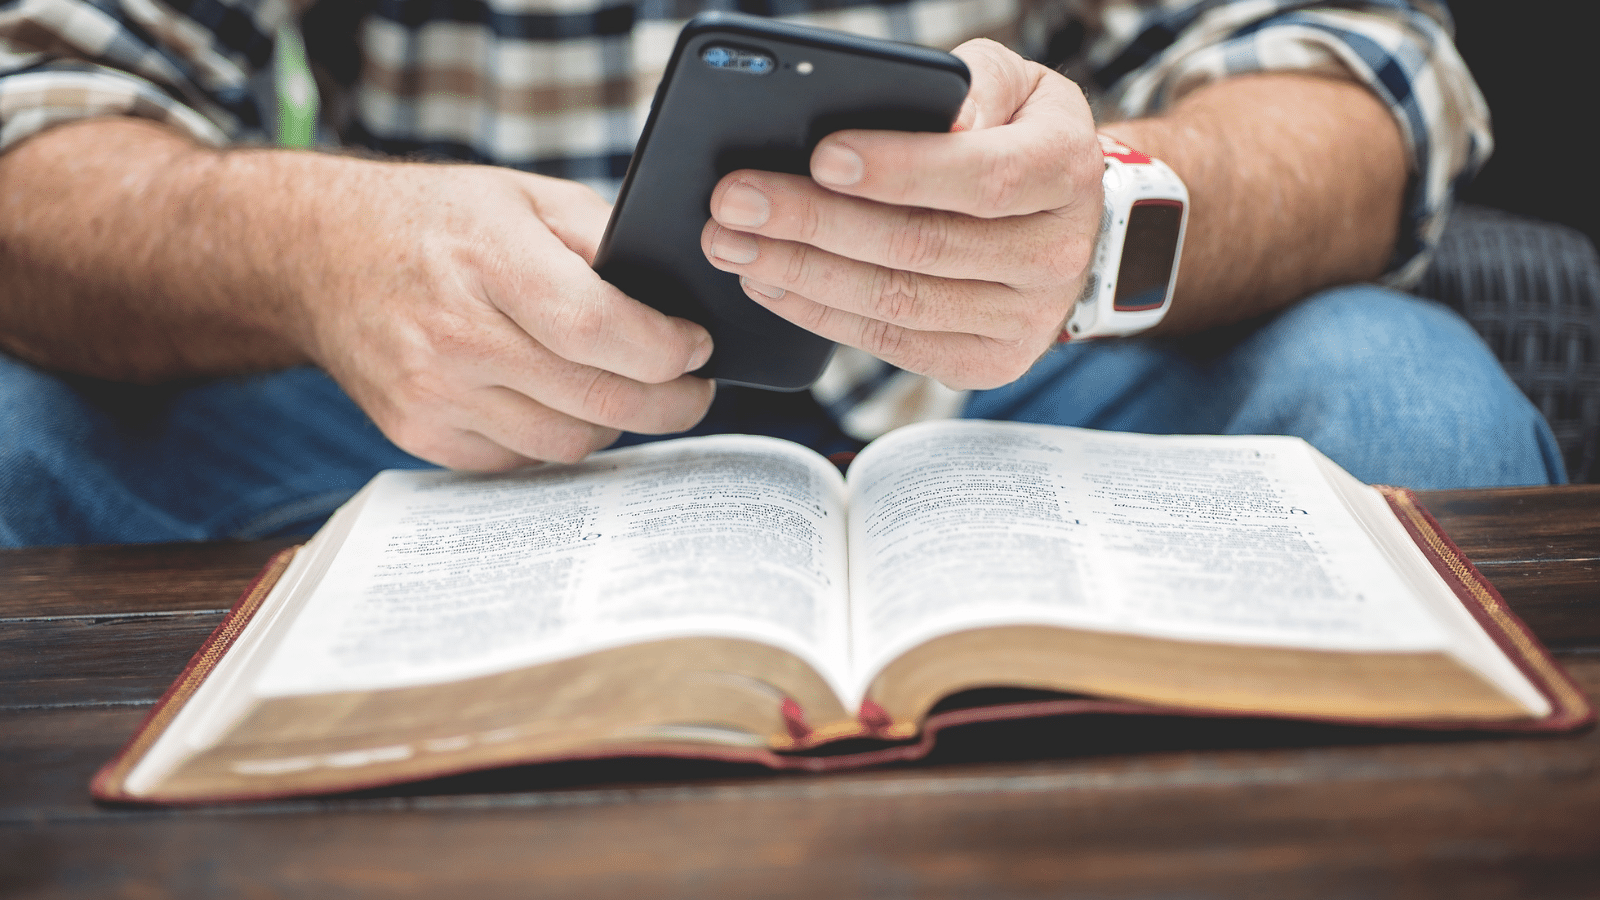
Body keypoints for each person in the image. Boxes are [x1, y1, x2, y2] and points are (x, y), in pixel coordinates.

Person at [0, 0, 1564, 547]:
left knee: (1406, 400)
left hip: (1020, 367)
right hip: (452, 400)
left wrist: (1092, 216)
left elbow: (1370, 78)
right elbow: (34, 114)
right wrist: (319, 248)